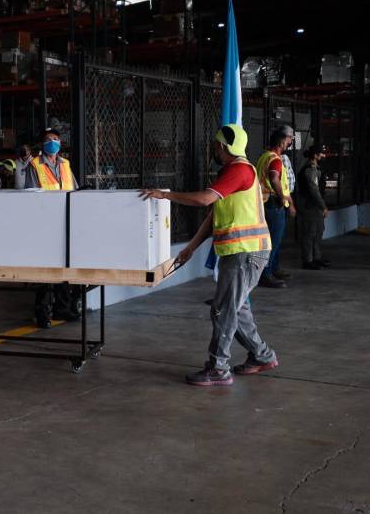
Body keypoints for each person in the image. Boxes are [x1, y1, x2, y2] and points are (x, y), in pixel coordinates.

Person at [140, 124, 278, 387]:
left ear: (221, 147)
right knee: (238, 309)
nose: (213, 149)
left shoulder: (239, 170)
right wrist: (191, 247)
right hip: (242, 253)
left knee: (223, 310)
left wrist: (165, 195)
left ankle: (218, 368)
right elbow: (215, 214)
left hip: (245, 253)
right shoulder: (233, 171)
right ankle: (262, 356)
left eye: (215, 145)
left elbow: (204, 200)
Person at [23, 127, 82, 327]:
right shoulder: (35, 165)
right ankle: (42, 312)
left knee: (64, 267)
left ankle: (62, 309)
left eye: (56, 139)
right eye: (48, 139)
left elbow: (74, 190)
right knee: (45, 271)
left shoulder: (65, 164)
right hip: (44, 224)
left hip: (65, 221)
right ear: (42, 143)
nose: (52, 142)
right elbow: (32, 195)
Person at [256, 130, 296, 288]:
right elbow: (274, 178)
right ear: (281, 141)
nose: (289, 142)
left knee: (270, 240)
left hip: (264, 202)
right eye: (288, 139)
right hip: (273, 203)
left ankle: (271, 269)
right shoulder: (275, 159)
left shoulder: (264, 157)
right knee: (273, 241)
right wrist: (283, 197)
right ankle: (265, 274)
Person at [297, 145, 331, 270]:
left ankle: (316, 258)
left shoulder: (315, 168)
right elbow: (314, 190)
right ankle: (308, 261)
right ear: (315, 155)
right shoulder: (310, 170)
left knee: (317, 232)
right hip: (309, 206)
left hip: (314, 206)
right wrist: (323, 207)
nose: (324, 155)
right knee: (309, 233)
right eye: (321, 153)